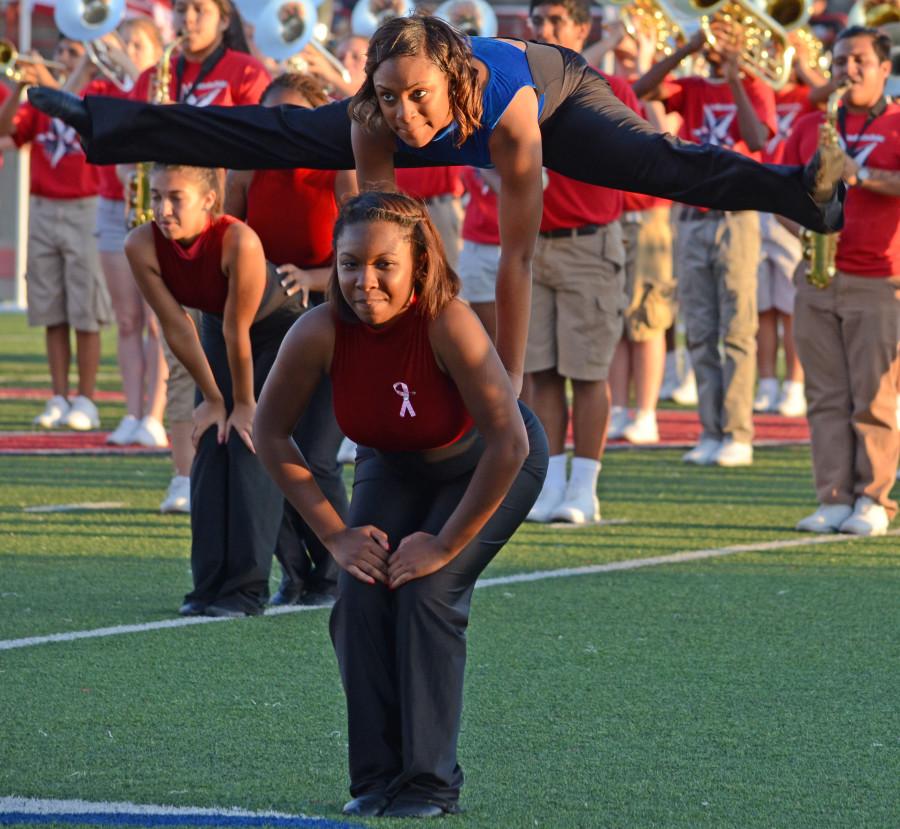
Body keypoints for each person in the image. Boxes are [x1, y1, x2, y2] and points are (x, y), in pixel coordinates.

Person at [30, 13, 846, 394]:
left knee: (659, 163)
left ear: (446, 84)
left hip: (558, 101)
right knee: (265, 131)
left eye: (416, 98)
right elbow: (385, 246)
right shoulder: (376, 118)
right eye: (388, 100)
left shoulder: (515, 121)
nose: (406, 119)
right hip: (462, 116)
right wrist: (389, 340)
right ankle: (100, 119)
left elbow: (518, 258)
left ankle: (802, 194)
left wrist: (507, 378)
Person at [254, 191, 548, 818]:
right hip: (393, 463)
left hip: (487, 464)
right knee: (359, 591)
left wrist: (442, 544)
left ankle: (429, 785)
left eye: (384, 264)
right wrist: (335, 536)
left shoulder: (448, 322)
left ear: (418, 262)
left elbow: (510, 442)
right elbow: (270, 433)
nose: (365, 281)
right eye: (350, 264)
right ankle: (375, 778)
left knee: (426, 593)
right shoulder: (318, 331)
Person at [124, 163, 303, 616]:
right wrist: (214, 402)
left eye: (176, 198)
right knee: (208, 441)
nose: (163, 210)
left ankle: (245, 591)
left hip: (278, 332)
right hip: (217, 331)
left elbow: (238, 330)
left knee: (248, 445)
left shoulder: (238, 240)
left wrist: (243, 405)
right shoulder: (140, 244)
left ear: (208, 200)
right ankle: (206, 588)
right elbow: (177, 326)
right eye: (157, 196)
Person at [134, 0, 272, 513]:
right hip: (172, 222)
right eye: (182, 9)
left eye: (199, 9)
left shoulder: (248, 71)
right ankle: (183, 472)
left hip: (226, 228)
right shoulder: (159, 71)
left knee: (236, 346)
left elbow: (261, 144)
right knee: (177, 351)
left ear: (223, 18)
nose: (188, 20)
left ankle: (246, 458)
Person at [225, 70, 356, 606]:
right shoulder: (248, 164)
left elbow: (363, 254)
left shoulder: (338, 167)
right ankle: (294, 573)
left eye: (295, 113)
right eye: (274, 112)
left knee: (317, 455)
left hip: (330, 323)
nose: (283, 124)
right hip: (261, 325)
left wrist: (314, 278)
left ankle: (337, 572)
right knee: (262, 450)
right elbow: (226, 239)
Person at [634, 22, 777, 468]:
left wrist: (735, 77)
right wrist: (686, 49)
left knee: (735, 330)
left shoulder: (757, 86)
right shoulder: (692, 85)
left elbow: (756, 140)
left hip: (735, 217)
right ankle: (710, 429)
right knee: (700, 329)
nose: (720, 42)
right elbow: (642, 89)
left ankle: (738, 432)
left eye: (728, 31)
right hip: (691, 217)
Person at [523, 0, 640, 524]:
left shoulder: (609, 86)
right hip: (534, 242)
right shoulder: (519, 86)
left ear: (582, 28)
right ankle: (549, 486)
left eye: (555, 22)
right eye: (537, 20)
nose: (543, 30)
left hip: (589, 244)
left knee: (587, 371)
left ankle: (584, 487)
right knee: (541, 372)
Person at [781, 26, 900, 537]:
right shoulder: (812, 123)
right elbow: (780, 190)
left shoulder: (897, 123)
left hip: (879, 278)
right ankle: (832, 497)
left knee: (872, 397)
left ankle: (874, 499)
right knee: (825, 395)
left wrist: (860, 172)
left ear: (885, 69)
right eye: (839, 61)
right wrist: (803, 233)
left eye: (858, 61)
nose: (847, 70)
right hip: (818, 274)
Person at [65, 18, 170, 448]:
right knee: (126, 319)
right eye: (122, 42)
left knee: (157, 320)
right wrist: (90, 67)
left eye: (136, 44)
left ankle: (156, 415)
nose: (124, 49)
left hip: (159, 209)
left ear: (156, 51)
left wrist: (133, 69)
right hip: (114, 206)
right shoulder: (109, 89)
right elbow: (63, 110)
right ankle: (131, 411)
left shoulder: (161, 86)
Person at [0, 36, 112, 432]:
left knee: (85, 310)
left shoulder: (94, 91)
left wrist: (47, 80)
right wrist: (18, 89)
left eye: (71, 53)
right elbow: (8, 132)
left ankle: (87, 399)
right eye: (60, 51)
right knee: (51, 309)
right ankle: (59, 396)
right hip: (44, 208)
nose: (62, 57)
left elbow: (76, 107)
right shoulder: (39, 99)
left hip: (85, 207)